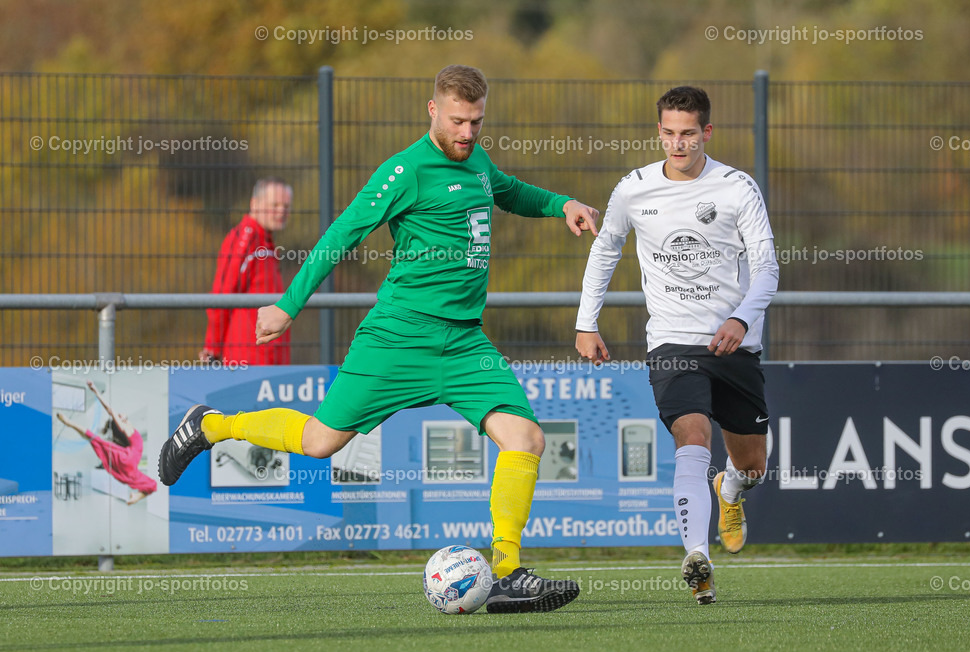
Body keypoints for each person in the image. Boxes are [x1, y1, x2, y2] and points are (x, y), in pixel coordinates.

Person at [160, 65, 599, 613]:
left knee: (526, 438)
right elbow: (342, 233)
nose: (468, 133)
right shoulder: (405, 170)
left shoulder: (477, 160)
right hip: (398, 337)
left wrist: (561, 204)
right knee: (321, 442)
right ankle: (208, 425)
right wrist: (287, 305)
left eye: (477, 122)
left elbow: (508, 190)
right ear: (433, 110)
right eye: (459, 121)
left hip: (464, 343)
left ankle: (507, 570)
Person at [574, 86, 779, 605]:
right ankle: (697, 557)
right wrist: (586, 322)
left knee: (752, 465)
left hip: (736, 345)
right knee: (691, 437)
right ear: (659, 132)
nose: (678, 144)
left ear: (707, 132)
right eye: (669, 133)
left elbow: (769, 267)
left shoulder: (737, 188)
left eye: (688, 133)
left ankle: (730, 490)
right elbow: (605, 253)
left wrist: (740, 318)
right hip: (671, 343)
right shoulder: (634, 189)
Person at [201, 177, 293, 365]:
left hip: (269, 359)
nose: (281, 211)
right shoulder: (246, 238)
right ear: (255, 204)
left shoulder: (265, 243)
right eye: (274, 205)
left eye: (286, 206)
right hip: (247, 361)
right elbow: (222, 294)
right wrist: (212, 347)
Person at [56, 380, 158, 505]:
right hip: (129, 459)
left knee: (95, 439)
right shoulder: (126, 428)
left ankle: (136, 496)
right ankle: (69, 423)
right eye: (119, 416)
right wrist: (96, 392)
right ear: (123, 420)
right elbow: (110, 410)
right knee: (95, 440)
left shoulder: (129, 432)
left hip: (129, 462)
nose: (119, 414)